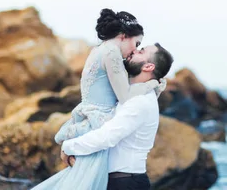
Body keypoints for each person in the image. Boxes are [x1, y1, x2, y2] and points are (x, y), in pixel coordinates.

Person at [31, 9, 166, 190]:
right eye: (137, 43)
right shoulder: (112, 53)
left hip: (94, 121)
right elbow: (125, 96)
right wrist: (152, 85)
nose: (134, 50)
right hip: (99, 121)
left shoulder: (100, 50)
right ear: (124, 36)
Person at [61, 43, 174, 190]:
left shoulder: (140, 100)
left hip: (126, 183)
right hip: (119, 180)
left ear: (148, 67)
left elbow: (107, 136)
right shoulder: (130, 94)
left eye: (141, 52)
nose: (134, 51)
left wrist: (68, 146)